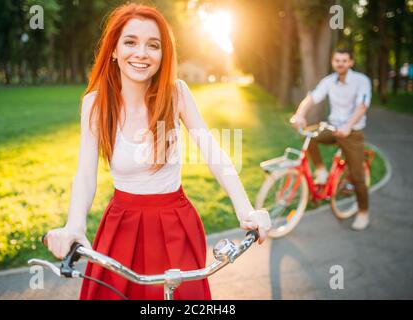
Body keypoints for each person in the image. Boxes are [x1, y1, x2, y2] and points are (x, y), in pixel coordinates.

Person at [44, 3, 271, 300]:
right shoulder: (95, 104)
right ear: (113, 50)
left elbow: (212, 151)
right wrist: (74, 224)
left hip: (174, 222)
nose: (141, 53)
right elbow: (85, 174)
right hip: (121, 225)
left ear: (163, 55)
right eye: (130, 42)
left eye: (153, 45)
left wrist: (245, 208)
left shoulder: (176, 94)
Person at [291, 48, 372, 231]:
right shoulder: (329, 81)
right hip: (333, 128)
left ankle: (363, 213)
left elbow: (362, 106)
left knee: (358, 177)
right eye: (337, 60)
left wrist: (348, 126)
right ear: (333, 62)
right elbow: (312, 98)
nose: (340, 63)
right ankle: (321, 171)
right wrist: (300, 114)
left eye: (344, 60)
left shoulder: (361, 81)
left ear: (351, 62)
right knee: (309, 134)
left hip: (352, 132)